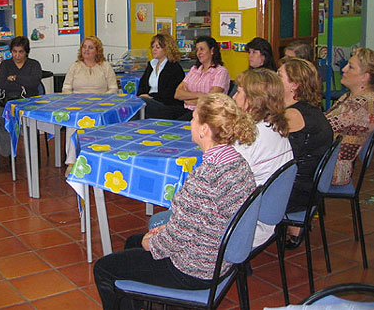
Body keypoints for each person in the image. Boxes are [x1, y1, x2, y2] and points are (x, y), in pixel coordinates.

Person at [93, 93, 257, 310]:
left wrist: (152, 241)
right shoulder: (238, 162)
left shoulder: (206, 177)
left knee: (104, 268)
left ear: (204, 129)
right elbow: (198, 220)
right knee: (133, 242)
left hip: (194, 269)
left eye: (194, 119)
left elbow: (176, 241)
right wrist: (164, 230)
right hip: (219, 257)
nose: (190, 123)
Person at [233, 68, 293, 246]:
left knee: (162, 221)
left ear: (253, 100)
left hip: (245, 224)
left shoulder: (248, 139)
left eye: (238, 92)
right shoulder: (275, 127)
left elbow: (221, 188)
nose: (234, 98)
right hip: (265, 215)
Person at [278, 57, 333, 249]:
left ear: (294, 85)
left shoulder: (292, 116)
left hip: (295, 192)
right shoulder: (309, 111)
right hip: (308, 187)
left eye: (279, 76)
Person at [325, 47, 374, 185]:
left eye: (351, 67)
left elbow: (323, 126)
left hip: (334, 169)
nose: (343, 69)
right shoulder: (351, 96)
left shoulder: (361, 104)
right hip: (327, 160)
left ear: (365, 76)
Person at [62, 36, 118, 172]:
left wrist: (101, 99)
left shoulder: (105, 67)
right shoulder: (74, 67)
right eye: (84, 47)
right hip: (78, 106)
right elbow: (66, 88)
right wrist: (73, 100)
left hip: (100, 107)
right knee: (72, 126)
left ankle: (97, 159)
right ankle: (71, 163)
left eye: (90, 47)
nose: (86, 50)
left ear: (97, 51)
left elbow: (113, 88)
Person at [0, 36, 42, 158]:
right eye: (14, 51)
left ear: (26, 52)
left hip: (29, 101)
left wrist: (15, 78)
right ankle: (8, 151)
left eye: (21, 52)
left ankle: (32, 153)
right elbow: (2, 83)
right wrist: (23, 82)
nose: (17, 55)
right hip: (8, 101)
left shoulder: (34, 64)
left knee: (30, 123)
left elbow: (34, 82)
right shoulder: (5, 65)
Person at [174, 35, 230, 120]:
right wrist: (199, 95)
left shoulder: (221, 72)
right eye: (197, 50)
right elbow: (178, 94)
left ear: (212, 51)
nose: (199, 53)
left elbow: (211, 99)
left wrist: (190, 100)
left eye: (202, 49)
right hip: (187, 110)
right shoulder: (194, 69)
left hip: (207, 114)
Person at [137, 33, 186, 119]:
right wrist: (142, 95)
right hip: (149, 101)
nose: (154, 50)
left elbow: (170, 93)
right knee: (135, 104)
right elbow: (142, 85)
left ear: (166, 49)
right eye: (152, 47)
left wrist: (151, 97)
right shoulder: (151, 65)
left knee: (141, 106)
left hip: (167, 105)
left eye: (158, 47)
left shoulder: (174, 68)